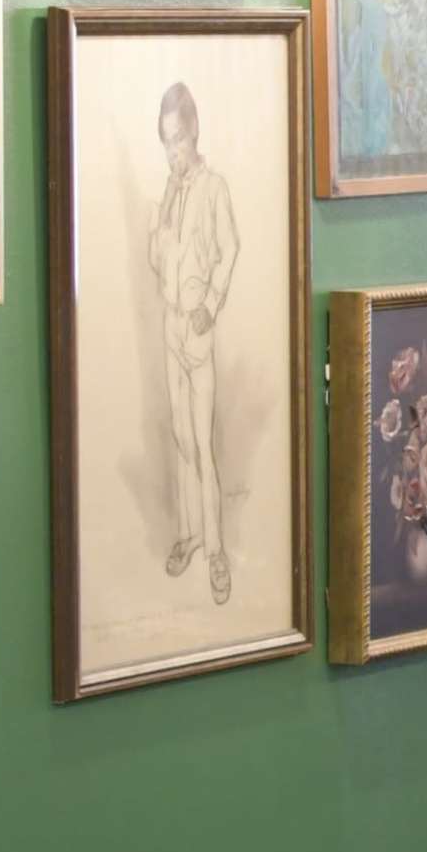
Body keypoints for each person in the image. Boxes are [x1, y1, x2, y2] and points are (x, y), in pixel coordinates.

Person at [147, 81, 240, 605]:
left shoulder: (214, 188)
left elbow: (230, 248)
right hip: (170, 326)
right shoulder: (171, 193)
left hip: (198, 331)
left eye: (178, 140)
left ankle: (216, 552)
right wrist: (162, 214)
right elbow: (156, 260)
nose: (173, 152)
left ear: (195, 132)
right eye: (166, 142)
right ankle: (189, 534)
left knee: (203, 445)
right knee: (181, 436)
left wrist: (211, 303)